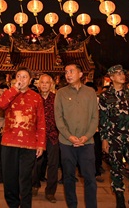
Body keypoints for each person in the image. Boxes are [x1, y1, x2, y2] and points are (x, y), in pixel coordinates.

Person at [0, 67, 46, 208]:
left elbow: (41, 122)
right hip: (9, 143)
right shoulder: (9, 93)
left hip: (29, 145)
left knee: (25, 178)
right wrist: (14, 90)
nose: (22, 79)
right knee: (9, 178)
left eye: (25, 77)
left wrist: (41, 144)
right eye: (19, 76)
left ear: (30, 80)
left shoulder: (36, 97)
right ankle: (13, 204)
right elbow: (0, 104)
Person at [99, 65, 129, 208]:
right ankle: (120, 199)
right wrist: (104, 139)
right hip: (114, 138)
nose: (122, 76)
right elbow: (103, 119)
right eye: (118, 74)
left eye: (123, 73)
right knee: (116, 168)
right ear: (111, 77)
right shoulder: (105, 96)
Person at [54, 63, 99, 208]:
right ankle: (72, 205)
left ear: (80, 74)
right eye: (66, 72)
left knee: (90, 178)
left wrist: (86, 137)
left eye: (71, 71)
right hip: (67, 143)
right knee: (68, 177)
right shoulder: (61, 93)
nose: (68, 74)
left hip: (87, 143)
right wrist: (69, 136)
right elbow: (58, 119)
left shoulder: (90, 92)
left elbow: (94, 117)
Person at [32, 74, 59, 203]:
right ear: (38, 84)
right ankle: (34, 185)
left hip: (53, 136)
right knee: (36, 163)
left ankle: (50, 192)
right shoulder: (34, 99)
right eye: (42, 82)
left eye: (47, 82)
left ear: (51, 85)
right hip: (36, 136)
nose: (44, 85)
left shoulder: (56, 99)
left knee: (53, 164)